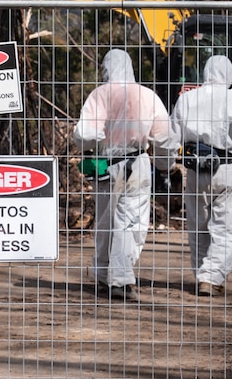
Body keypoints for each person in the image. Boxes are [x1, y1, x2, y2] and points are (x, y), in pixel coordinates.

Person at [73, 49, 177, 302]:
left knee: (106, 221)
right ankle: (119, 280)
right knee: (130, 222)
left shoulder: (100, 94)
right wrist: (165, 164)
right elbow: (164, 135)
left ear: (106, 68)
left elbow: (84, 134)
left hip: (105, 164)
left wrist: (97, 143)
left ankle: (102, 274)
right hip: (137, 163)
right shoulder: (147, 95)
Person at [170, 55, 232, 297]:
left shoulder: (186, 99)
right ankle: (211, 276)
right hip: (227, 169)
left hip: (195, 171)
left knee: (198, 226)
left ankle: (203, 274)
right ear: (230, 75)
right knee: (230, 228)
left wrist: (167, 165)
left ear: (205, 73)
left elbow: (171, 137)